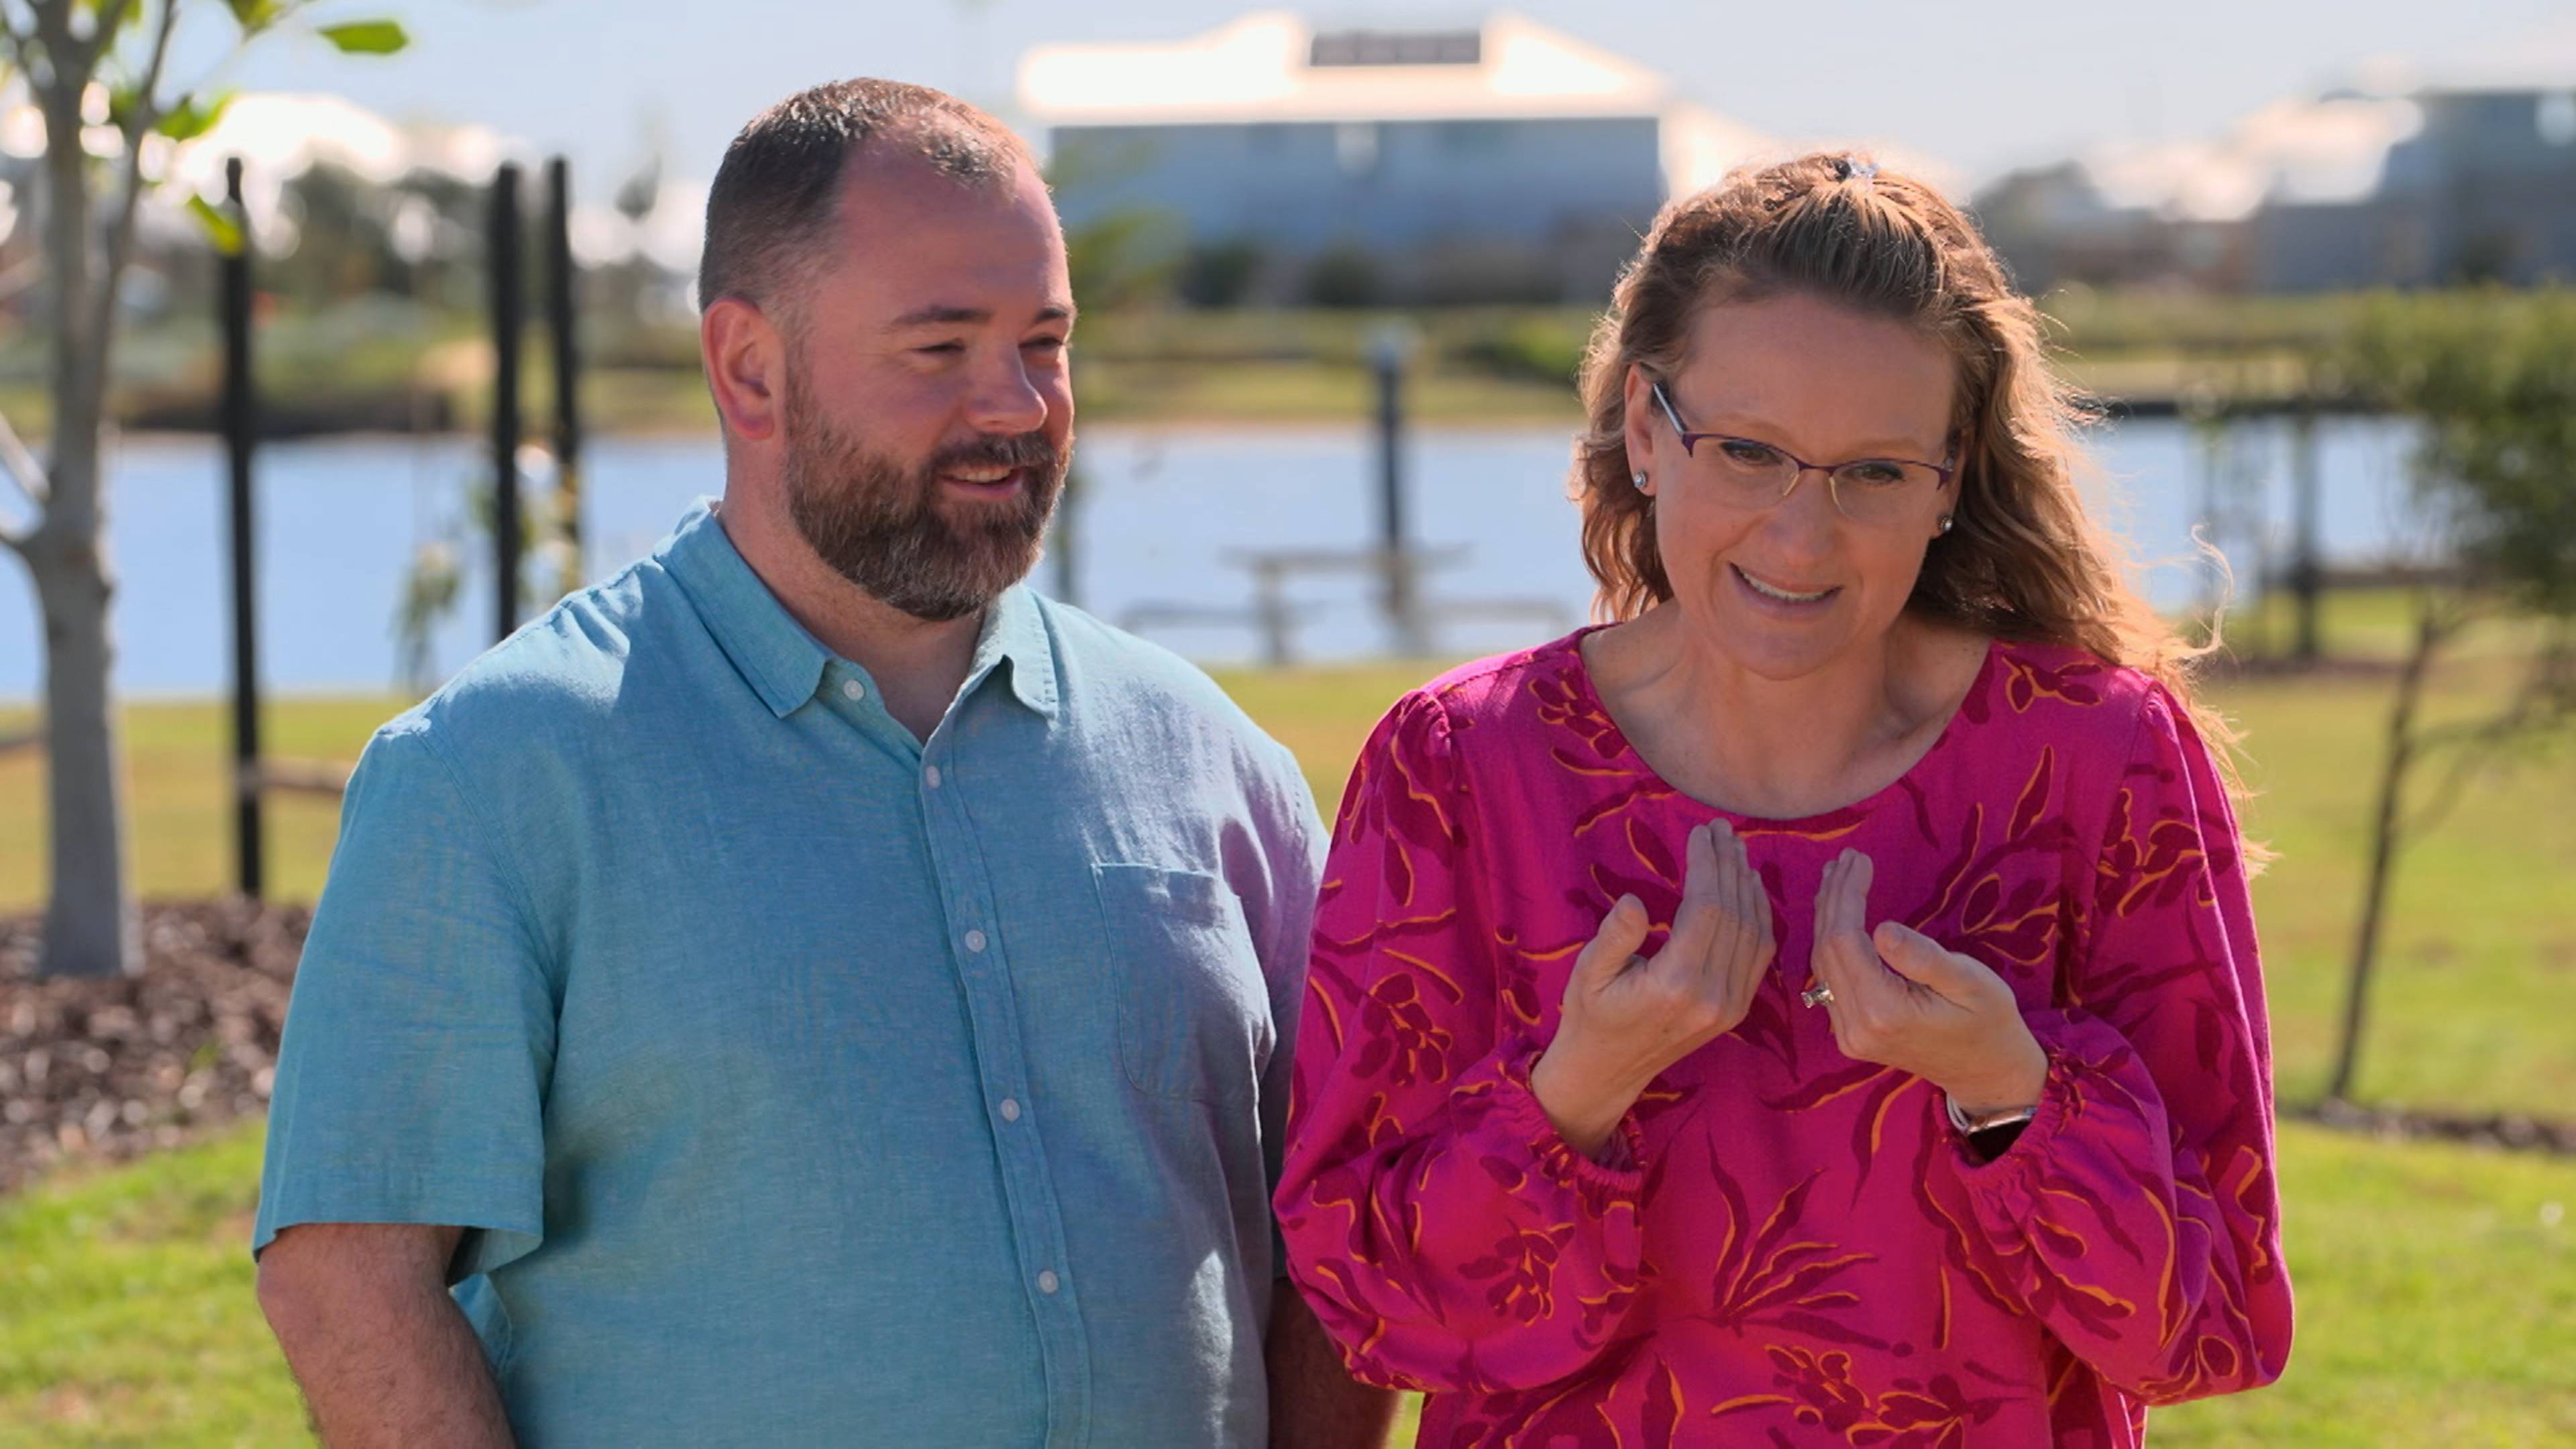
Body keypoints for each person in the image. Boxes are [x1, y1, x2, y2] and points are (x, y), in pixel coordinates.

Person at [252, 79, 1391, 1448]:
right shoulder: (492, 777)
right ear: (750, 369)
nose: (1018, 404)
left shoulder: (1218, 766)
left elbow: (1349, 1222)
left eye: (1045, 340)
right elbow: (347, 1283)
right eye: (942, 346)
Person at [1276, 154, 2292, 1447]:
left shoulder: (2100, 762)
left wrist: (2013, 1095)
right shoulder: (1461, 770)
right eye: (1748, 452)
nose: (1803, 539)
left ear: (1950, 478)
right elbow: (1374, 1312)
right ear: (1646, 431)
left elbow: (2211, 1326)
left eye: (1873, 471)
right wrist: (1576, 1091)